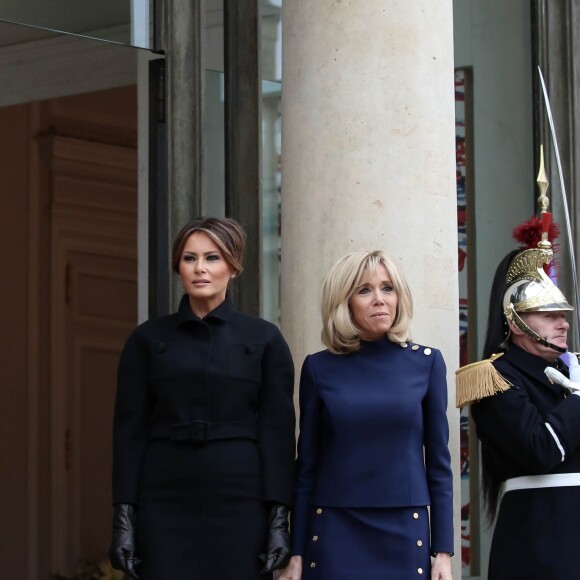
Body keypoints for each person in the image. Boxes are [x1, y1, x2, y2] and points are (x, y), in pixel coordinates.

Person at [108, 216, 296, 580]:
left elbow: (278, 435)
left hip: (241, 499)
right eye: (189, 258)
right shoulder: (146, 340)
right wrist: (123, 518)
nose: (200, 269)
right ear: (178, 266)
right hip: (163, 497)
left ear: (233, 266)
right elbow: (128, 433)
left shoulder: (265, 339)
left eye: (212, 258)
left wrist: (278, 519)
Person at [280, 250, 454, 580]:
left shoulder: (427, 363)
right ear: (344, 301)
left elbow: (439, 465)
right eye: (365, 290)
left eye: (388, 288)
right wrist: (297, 552)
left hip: (404, 528)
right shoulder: (319, 368)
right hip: (335, 528)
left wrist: (442, 551)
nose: (380, 299)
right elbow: (307, 468)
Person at [456, 233, 580, 579]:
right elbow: (540, 449)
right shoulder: (495, 378)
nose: (563, 324)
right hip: (541, 541)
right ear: (517, 323)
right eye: (549, 315)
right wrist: (577, 399)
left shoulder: (568, 373)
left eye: (563, 315)